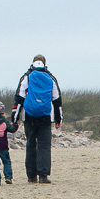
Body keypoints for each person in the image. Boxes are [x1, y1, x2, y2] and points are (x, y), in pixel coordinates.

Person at [11, 54, 62, 184]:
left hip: (29, 116)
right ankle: (43, 175)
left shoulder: (26, 77)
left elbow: (19, 99)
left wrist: (14, 118)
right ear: (45, 63)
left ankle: (31, 176)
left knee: (31, 144)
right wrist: (58, 119)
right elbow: (57, 100)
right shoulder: (50, 78)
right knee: (44, 145)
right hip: (46, 116)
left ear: (33, 63)